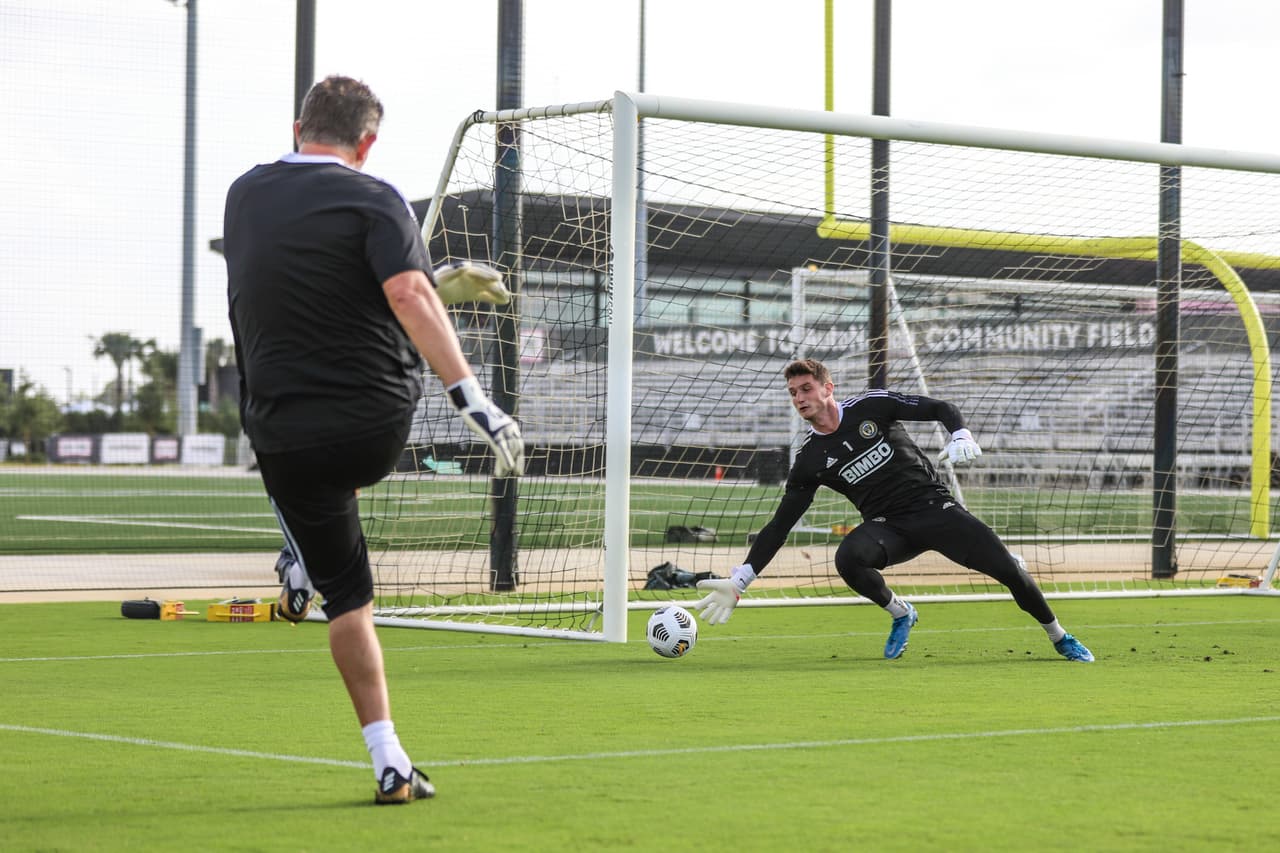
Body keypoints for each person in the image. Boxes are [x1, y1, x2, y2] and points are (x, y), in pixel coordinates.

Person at [224, 75, 525, 805]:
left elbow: (301, 286)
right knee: (400, 306)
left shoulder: (242, 195)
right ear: (368, 142)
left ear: (298, 126)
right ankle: (301, 552)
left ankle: (387, 756)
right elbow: (401, 295)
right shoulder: (375, 197)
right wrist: (474, 398)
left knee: (346, 600)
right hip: (372, 424)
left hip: (279, 433)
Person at [694, 358, 1093, 663]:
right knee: (848, 559)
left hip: (936, 509)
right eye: (793, 393)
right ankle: (901, 613)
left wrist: (960, 432)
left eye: (805, 389)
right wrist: (741, 580)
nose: (799, 399)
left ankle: (1059, 636)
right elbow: (781, 525)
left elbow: (941, 407)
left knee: (1009, 572)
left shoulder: (873, 407)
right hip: (889, 528)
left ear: (827, 388)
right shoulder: (810, 459)